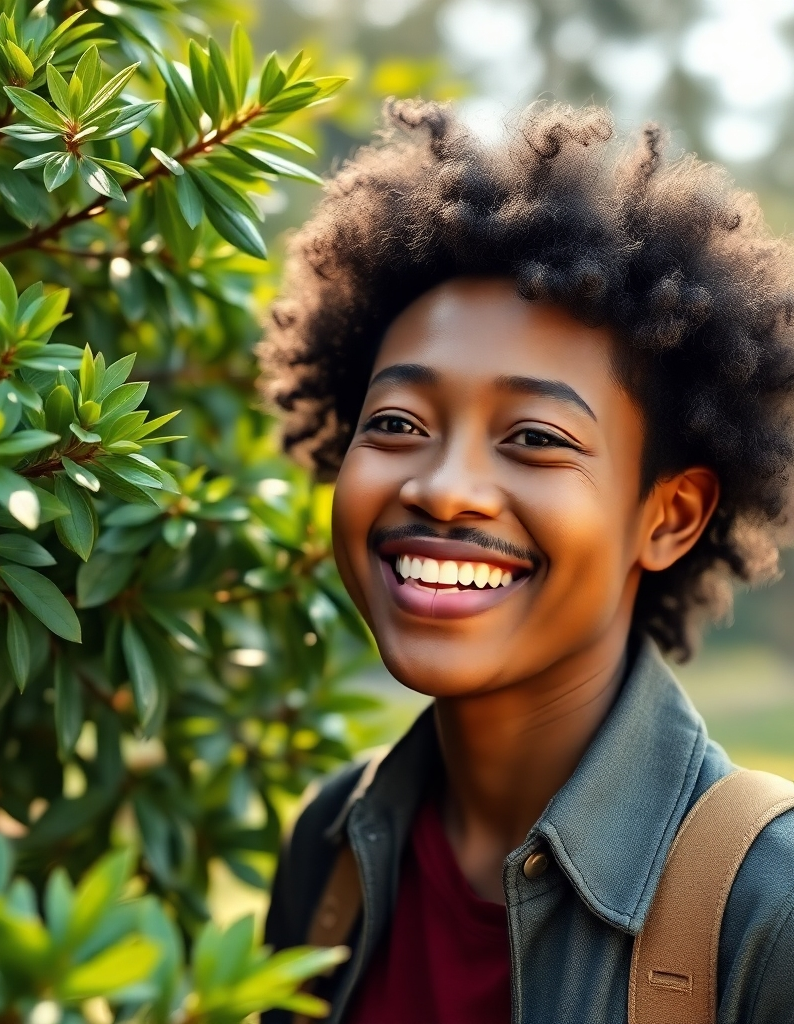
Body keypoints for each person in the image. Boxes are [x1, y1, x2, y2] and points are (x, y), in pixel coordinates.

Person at [256, 101, 794, 1024]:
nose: (444, 487)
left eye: (536, 437)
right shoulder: (333, 842)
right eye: (396, 424)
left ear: (669, 518)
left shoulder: (766, 916)